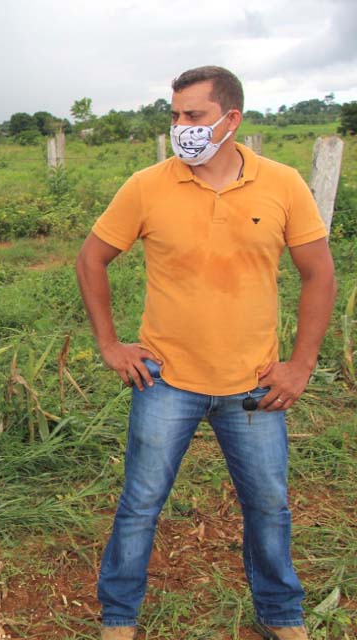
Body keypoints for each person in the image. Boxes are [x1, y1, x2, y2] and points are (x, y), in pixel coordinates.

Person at [75, 66, 336, 640]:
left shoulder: (283, 184)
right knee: (140, 505)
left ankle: (280, 615)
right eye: (174, 116)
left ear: (230, 119)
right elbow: (91, 259)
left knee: (269, 507)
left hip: (254, 384)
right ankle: (119, 619)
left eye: (193, 116)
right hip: (166, 380)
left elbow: (319, 274)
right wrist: (110, 344)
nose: (181, 128)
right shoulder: (147, 185)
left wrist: (300, 365)